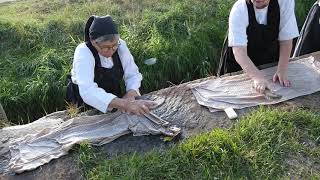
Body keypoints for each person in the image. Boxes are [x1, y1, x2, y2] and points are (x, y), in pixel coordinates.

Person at [66, 15, 155, 116]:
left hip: (113, 94)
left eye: (114, 46)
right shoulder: (83, 52)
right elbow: (88, 91)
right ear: (94, 42)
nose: (111, 51)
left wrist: (130, 93)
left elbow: (133, 74)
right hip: (84, 101)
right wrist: (125, 104)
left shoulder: (121, 45)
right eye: (105, 48)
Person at [217, 0, 299, 94]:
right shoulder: (239, 9)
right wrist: (257, 77)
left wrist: (282, 70)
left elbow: (286, 40)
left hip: (269, 57)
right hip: (240, 63)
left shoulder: (285, 2)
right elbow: (239, 52)